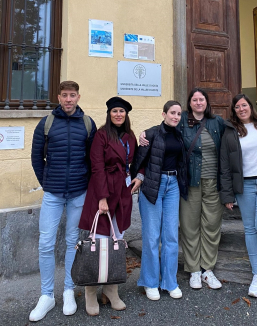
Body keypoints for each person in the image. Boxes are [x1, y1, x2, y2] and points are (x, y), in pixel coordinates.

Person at [139, 88, 225, 290]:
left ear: (206, 102)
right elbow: (162, 130)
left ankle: (207, 270)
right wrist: (145, 134)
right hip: (188, 181)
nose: (198, 103)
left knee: (211, 225)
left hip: (212, 181)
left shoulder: (217, 122)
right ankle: (194, 269)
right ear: (189, 103)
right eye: (194, 99)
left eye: (201, 99)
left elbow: (231, 142)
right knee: (188, 226)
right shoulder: (183, 122)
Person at [30, 81, 97, 322]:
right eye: (64, 96)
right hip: (53, 194)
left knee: (72, 242)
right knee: (46, 243)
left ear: (78, 97)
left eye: (72, 95)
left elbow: (93, 158)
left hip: (79, 192)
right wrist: (47, 183)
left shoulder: (88, 124)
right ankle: (47, 295)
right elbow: (36, 157)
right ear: (58, 97)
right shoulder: (46, 123)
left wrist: (87, 184)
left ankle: (69, 290)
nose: (68, 100)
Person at [78, 96, 142, 316]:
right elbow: (96, 166)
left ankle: (111, 290)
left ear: (126, 115)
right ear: (109, 113)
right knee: (100, 242)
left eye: (121, 111)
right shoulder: (102, 135)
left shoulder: (130, 135)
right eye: (114, 111)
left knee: (117, 239)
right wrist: (102, 198)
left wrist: (137, 179)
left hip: (123, 191)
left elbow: (134, 162)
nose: (118, 114)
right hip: (104, 190)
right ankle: (91, 292)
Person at [219, 94, 257, 297]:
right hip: (244, 185)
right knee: (249, 229)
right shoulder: (230, 132)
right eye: (237, 107)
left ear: (251, 106)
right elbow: (225, 166)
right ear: (234, 111)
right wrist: (227, 195)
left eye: (244, 105)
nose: (241, 109)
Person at [131, 100, 188, 301]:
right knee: (152, 236)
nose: (175, 116)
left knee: (171, 236)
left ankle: (170, 282)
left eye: (179, 114)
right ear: (163, 114)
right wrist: (140, 177)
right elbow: (139, 161)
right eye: (172, 113)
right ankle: (150, 282)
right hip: (153, 186)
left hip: (173, 185)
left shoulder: (179, 135)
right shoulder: (151, 133)